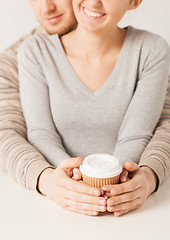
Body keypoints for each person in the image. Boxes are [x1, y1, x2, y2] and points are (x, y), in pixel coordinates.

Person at [0, 0, 169, 217]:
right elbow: (8, 135)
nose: (47, 7)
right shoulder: (26, 55)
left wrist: (147, 176)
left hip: (128, 208)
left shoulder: (149, 50)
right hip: (53, 208)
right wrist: (52, 181)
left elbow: (160, 124)